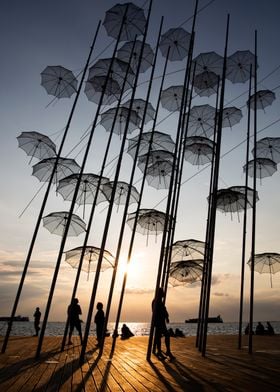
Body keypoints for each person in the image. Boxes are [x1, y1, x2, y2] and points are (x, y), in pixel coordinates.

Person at [152, 287, 175, 360]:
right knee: (164, 335)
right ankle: (162, 351)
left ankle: (161, 351)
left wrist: (166, 317)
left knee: (159, 336)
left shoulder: (159, 301)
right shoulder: (156, 301)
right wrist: (165, 316)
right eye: (162, 293)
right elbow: (160, 311)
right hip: (159, 321)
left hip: (161, 321)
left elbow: (164, 310)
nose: (163, 294)